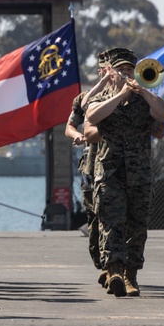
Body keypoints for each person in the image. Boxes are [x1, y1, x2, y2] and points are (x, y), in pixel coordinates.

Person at [85, 47, 164, 298]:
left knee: (137, 226)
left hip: (139, 174)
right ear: (110, 73)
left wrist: (142, 90)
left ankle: (130, 275)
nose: (125, 73)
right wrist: (120, 94)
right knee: (111, 223)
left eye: (129, 70)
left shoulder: (145, 100)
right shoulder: (101, 97)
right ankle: (113, 271)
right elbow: (91, 115)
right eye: (120, 69)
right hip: (109, 172)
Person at [65, 51, 113, 286]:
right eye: (105, 69)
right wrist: (76, 136)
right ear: (100, 71)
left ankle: (112, 265)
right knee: (95, 219)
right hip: (91, 166)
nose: (110, 72)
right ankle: (101, 260)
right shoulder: (87, 97)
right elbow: (70, 126)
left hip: (114, 166)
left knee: (110, 217)